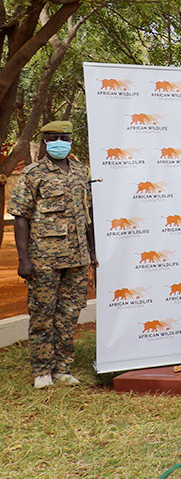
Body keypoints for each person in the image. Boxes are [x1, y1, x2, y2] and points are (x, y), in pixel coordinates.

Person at [11, 121, 95, 388]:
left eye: (64, 137)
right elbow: (21, 217)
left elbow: (88, 215)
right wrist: (24, 259)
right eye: (54, 138)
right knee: (42, 315)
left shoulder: (82, 172)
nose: (60, 142)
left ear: (71, 139)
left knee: (69, 314)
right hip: (44, 259)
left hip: (78, 258)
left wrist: (92, 251)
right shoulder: (32, 174)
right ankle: (42, 371)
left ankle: (62, 368)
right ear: (45, 142)